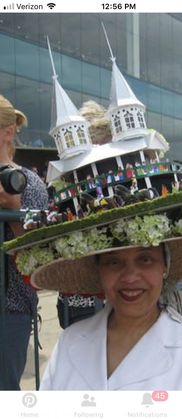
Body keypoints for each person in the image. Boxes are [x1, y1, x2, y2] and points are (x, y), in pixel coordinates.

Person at [4, 182, 182, 390]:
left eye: (145, 259)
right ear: (99, 270)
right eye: (114, 262)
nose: (130, 276)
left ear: (164, 267)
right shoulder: (70, 342)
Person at [0, 95, 48, 390]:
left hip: (10, 309)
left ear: (7, 132)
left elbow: (38, 260)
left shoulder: (28, 183)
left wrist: (14, 213)